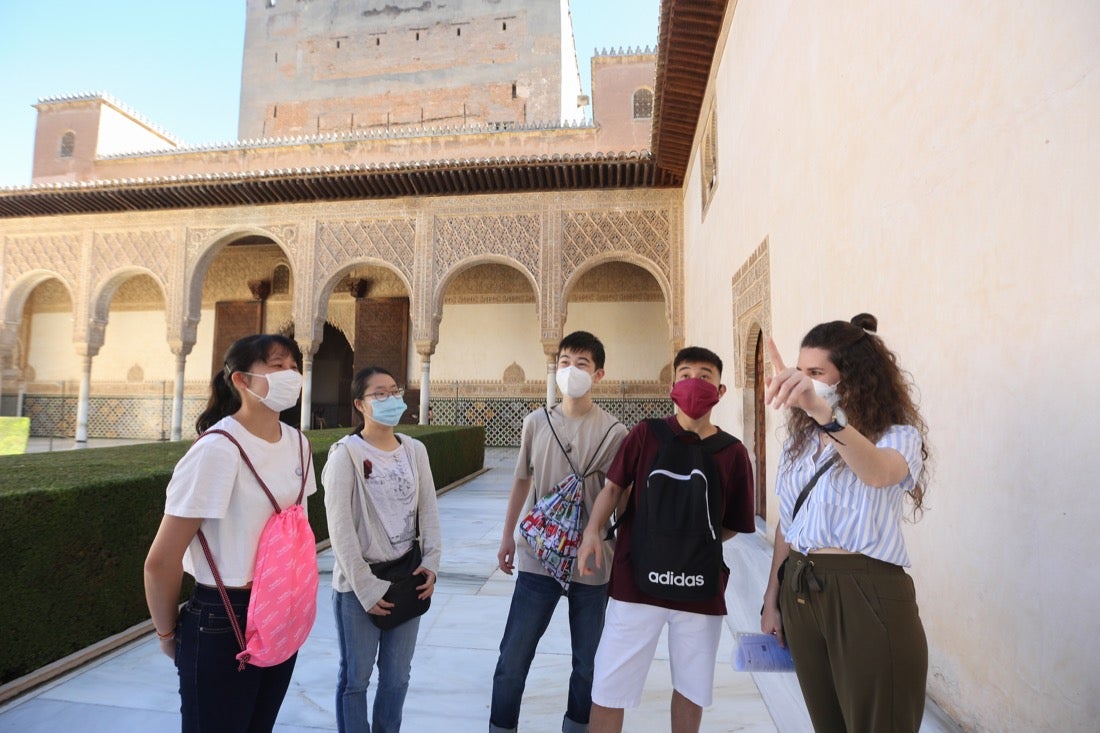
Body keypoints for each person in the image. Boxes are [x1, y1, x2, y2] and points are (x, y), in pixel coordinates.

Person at [759, 313, 930, 733]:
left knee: (878, 723)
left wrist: (824, 414)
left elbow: (876, 472)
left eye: (816, 372)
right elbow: (790, 521)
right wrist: (772, 596)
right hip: (800, 587)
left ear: (851, 378)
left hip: (864, 591)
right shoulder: (801, 442)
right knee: (827, 724)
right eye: (800, 371)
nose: (803, 382)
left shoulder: (896, 435)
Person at [577, 346, 755, 733]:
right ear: (672, 386)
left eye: (704, 376)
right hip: (635, 585)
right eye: (686, 374)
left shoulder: (733, 453)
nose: (694, 382)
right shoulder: (646, 435)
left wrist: (690, 541)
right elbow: (611, 489)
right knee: (609, 687)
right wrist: (592, 531)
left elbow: (733, 523)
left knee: (692, 691)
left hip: (700, 590)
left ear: (720, 391)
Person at [144, 333, 316, 733]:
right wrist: (168, 632)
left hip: (281, 610)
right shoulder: (218, 450)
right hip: (224, 617)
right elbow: (161, 561)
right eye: (277, 366)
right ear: (240, 380)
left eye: (294, 367)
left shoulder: (299, 444)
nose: (290, 375)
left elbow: (295, 533)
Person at [490, 330, 628, 733]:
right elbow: (521, 481)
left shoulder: (615, 433)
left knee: (588, 662)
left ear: (599, 374)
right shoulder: (536, 422)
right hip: (537, 556)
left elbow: (620, 496)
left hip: (592, 561)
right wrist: (506, 537)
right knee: (513, 656)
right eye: (565, 362)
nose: (571, 371)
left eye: (581, 364)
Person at [323, 365, 442, 733]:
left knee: (397, 677)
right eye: (380, 394)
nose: (391, 399)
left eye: (394, 391)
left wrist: (433, 563)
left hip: (406, 579)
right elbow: (339, 526)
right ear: (360, 403)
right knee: (356, 679)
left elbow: (429, 510)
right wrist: (366, 586)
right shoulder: (346, 454)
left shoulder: (414, 450)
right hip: (360, 586)